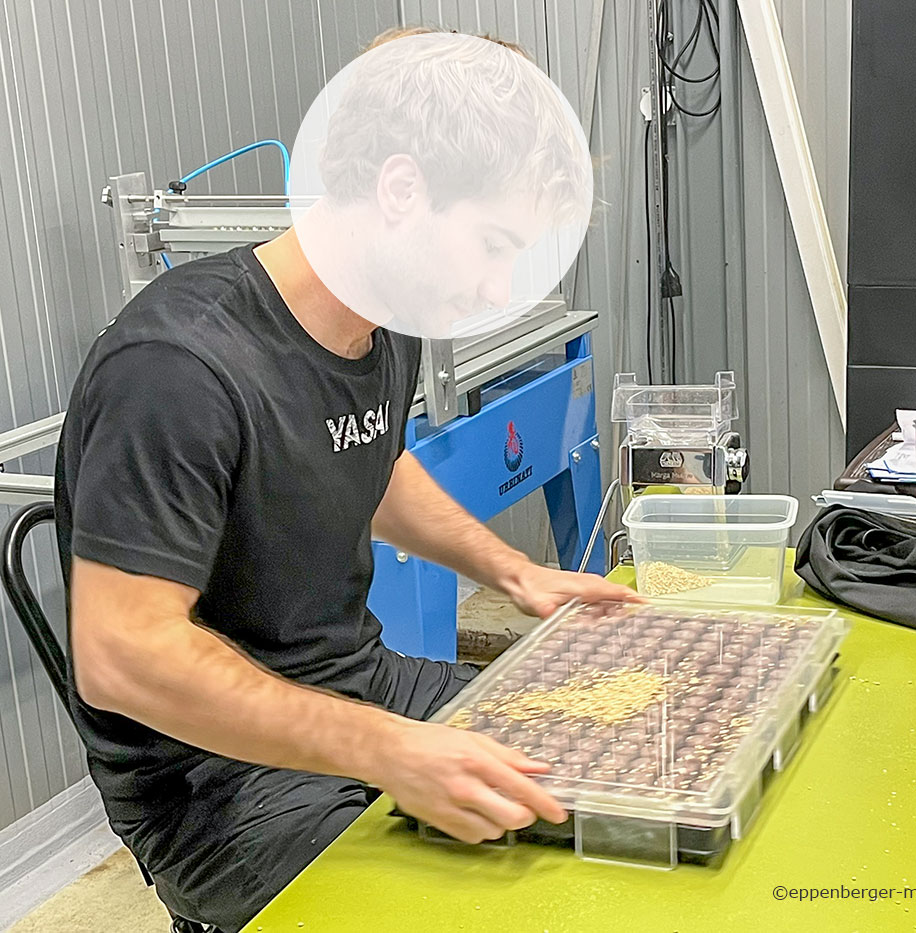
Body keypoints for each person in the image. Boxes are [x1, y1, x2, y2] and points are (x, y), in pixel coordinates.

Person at [54, 27, 634, 932]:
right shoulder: (176, 366)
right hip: (218, 785)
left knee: (609, 766)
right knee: (481, 908)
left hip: (359, 687)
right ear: (401, 190)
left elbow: (367, 458)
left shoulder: (381, 321)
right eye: (490, 244)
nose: (495, 287)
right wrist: (388, 750)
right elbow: (121, 653)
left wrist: (512, 573)